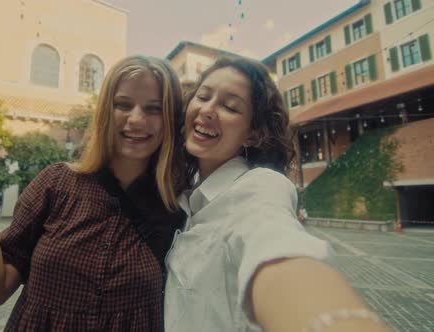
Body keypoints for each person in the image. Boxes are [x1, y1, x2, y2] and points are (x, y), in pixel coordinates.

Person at [0, 55, 185, 331]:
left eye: (154, 109)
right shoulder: (56, 184)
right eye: (123, 104)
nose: (137, 119)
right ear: (106, 110)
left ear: (170, 119)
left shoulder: (179, 205)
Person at [164, 57, 389, 332]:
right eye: (203, 96)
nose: (209, 110)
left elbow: (274, 242)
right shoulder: (186, 196)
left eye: (230, 107)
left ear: (253, 135)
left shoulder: (259, 188)